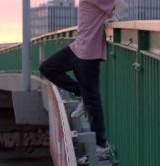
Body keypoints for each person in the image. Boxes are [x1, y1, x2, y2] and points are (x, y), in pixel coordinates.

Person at [39, 0, 125, 157]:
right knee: (47, 68)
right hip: (77, 48)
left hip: (89, 55)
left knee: (93, 101)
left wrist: (115, 16)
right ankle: (80, 93)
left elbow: (120, 3)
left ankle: (100, 146)